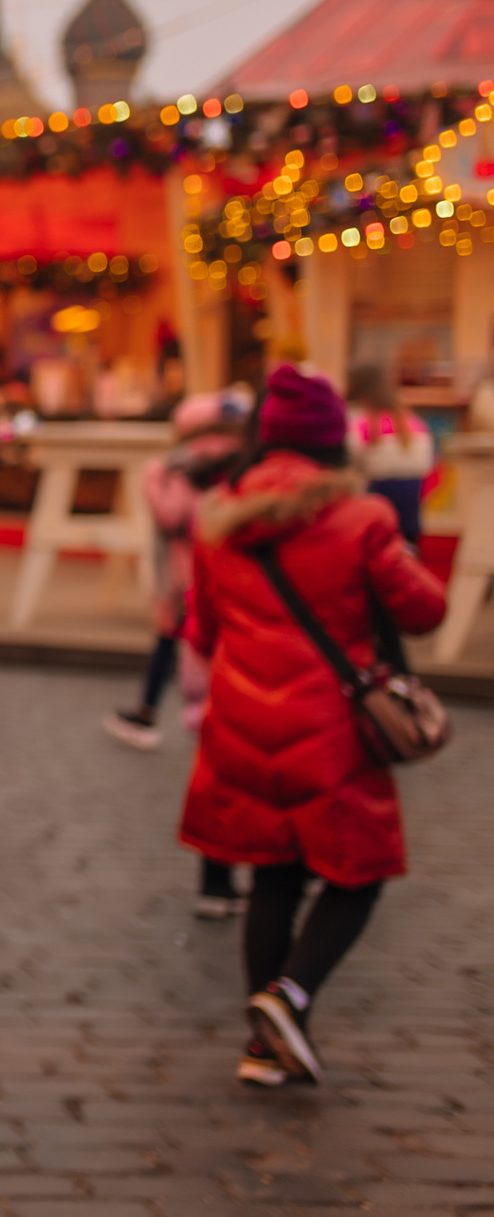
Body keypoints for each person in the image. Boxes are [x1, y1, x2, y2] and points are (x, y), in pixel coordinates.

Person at [180, 362, 445, 1087]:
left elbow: (202, 631)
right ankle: (290, 996)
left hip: (242, 724)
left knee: (274, 875)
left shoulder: (219, 517)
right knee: (362, 871)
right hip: (330, 729)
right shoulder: (361, 519)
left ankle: (263, 1047)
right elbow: (426, 610)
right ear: (333, 441)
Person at [103, 390, 252, 918]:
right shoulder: (247, 468)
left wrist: (154, 481)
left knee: (213, 748)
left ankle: (217, 879)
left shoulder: (184, 467)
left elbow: (172, 517)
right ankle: (260, 872)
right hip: (239, 610)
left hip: (192, 586)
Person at [345, 362, 433, 549]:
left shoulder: (358, 419)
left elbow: (349, 461)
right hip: (410, 519)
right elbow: (427, 465)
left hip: (372, 519)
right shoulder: (411, 421)